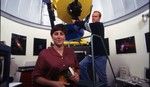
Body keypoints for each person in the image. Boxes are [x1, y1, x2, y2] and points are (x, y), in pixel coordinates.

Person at [79, 11, 108, 86]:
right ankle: (89, 83)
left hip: (100, 56)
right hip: (91, 55)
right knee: (81, 65)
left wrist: (76, 21)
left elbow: (85, 26)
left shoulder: (99, 25)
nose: (93, 18)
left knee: (102, 77)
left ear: (99, 18)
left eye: (95, 16)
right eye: (92, 16)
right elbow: (86, 26)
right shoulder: (94, 29)